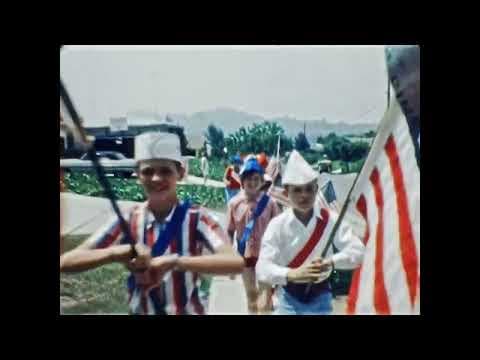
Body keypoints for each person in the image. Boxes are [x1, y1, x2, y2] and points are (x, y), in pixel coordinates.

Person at [60, 132, 245, 315]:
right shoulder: (127, 219)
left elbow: (234, 263)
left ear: (180, 173)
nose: (156, 178)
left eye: (165, 171)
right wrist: (116, 253)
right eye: (148, 171)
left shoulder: (197, 218)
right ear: (138, 175)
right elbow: (67, 261)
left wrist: (176, 262)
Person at [256, 150, 365, 315]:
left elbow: (358, 251)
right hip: (288, 297)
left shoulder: (330, 220)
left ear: (316, 189)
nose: (304, 195)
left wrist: (331, 262)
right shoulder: (277, 225)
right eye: (297, 190)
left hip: (320, 295)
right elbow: (263, 268)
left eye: (309, 189)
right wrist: (292, 274)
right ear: (286, 192)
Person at [227, 158, 281, 314]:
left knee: (264, 299)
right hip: (245, 257)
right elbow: (229, 232)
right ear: (242, 181)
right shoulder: (234, 203)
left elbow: (279, 229)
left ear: (261, 181)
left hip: (266, 256)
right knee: (251, 297)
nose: (252, 182)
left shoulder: (270, 203)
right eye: (248, 179)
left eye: (256, 179)